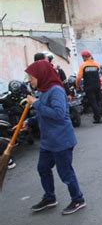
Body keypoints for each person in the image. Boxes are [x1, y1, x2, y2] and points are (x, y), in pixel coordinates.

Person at [23, 60, 86, 215]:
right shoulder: (44, 90)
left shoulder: (56, 90)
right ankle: (50, 197)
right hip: (48, 141)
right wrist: (29, 122)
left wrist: (36, 103)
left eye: (31, 77)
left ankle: (78, 199)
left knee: (65, 173)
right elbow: (43, 114)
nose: (29, 81)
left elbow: (58, 114)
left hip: (61, 140)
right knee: (43, 168)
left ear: (41, 75)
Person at [76, 50, 102, 124]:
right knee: (98, 101)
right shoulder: (97, 64)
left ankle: (98, 118)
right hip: (97, 85)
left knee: (93, 102)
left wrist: (77, 86)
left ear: (84, 57)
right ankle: (98, 115)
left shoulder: (83, 65)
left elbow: (79, 78)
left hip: (88, 86)